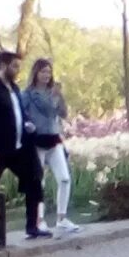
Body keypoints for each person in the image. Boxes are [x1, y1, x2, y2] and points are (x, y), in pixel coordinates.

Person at [0, 51, 50, 239]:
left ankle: (32, 226)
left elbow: (19, 113)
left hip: (19, 148)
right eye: (14, 66)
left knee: (34, 179)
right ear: (3, 65)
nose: (18, 70)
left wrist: (27, 123)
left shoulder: (15, 89)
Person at [22, 58, 80, 234]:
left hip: (53, 140)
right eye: (43, 72)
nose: (47, 75)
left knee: (64, 178)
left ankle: (61, 218)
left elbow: (62, 113)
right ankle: (38, 220)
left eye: (49, 72)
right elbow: (24, 114)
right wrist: (27, 126)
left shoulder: (53, 92)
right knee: (38, 182)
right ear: (35, 73)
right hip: (37, 141)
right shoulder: (28, 94)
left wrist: (59, 97)